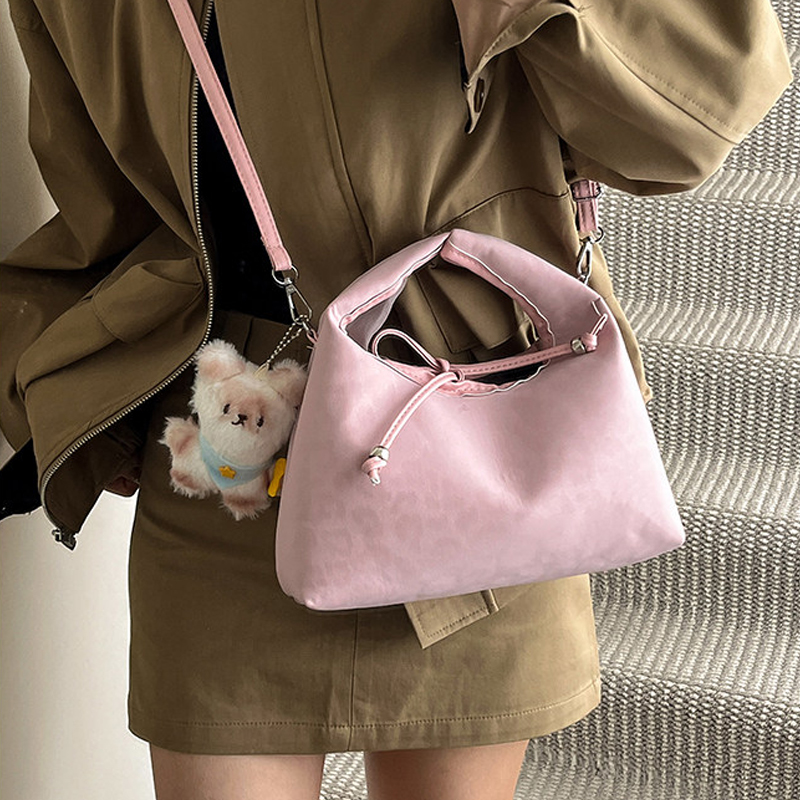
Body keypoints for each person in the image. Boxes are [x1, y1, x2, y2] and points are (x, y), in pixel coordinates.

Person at [0, 0, 790, 797]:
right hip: (234, 441)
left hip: (474, 422)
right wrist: (72, 392)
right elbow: (103, 203)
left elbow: (692, 118)